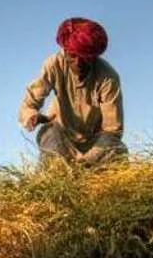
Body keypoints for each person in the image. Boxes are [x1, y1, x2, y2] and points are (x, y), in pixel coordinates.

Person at [18, 17, 126, 166]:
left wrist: (87, 161)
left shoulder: (108, 77)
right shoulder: (54, 64)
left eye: (84, 57)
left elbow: (112, 129)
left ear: (93, 56)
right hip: (60, 136)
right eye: (72, 55)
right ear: (64, 51)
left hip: (95, 143)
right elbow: (29, 103)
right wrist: (31, 115)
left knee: (116, 148)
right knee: (50, 136)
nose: (78, 63)